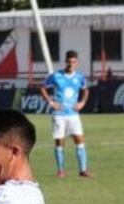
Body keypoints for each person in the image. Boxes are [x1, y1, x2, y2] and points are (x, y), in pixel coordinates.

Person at [39, 50, 90, 178]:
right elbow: (42, 87)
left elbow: (85, 90)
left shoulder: (80, 77)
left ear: (76, 62)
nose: (70, 64)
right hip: (59, 114)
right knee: (59, 142)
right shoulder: (56, 76)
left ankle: (83, 170)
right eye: (69, 61)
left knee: (80, 141)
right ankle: (61, 171)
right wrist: (51, 102)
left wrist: (82, 103)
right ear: (65, 61)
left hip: (73, 114)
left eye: (73, 62)